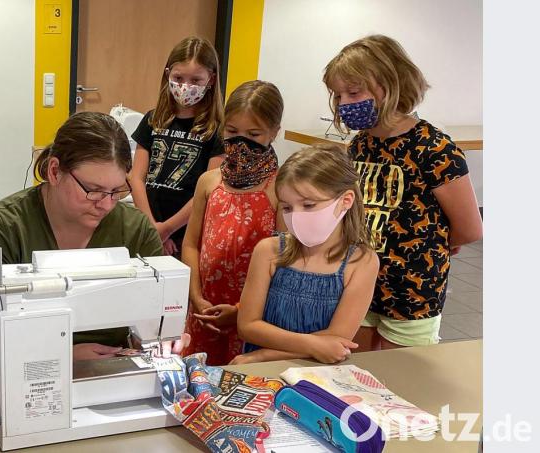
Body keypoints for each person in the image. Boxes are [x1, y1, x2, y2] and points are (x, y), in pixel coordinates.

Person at [0, 112, 171, 391]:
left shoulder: (135, 229)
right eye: (93, 190)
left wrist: (164, 338)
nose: (106, 205)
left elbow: (161, 319)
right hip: (17, 370)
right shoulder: (2, 228)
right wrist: (62, 357)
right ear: (55, 171)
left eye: (117, 191)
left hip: (110, 368)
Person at [323, 35, 483, 350]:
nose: (344, 103)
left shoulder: (434, 147)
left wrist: (434, 245)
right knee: (355, 371)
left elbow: (469, 228)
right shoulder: (360, 145)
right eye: (337, 94)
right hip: (360, 283)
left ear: (391, 84)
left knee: (403, 380)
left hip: (413, 292)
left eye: (353, 92)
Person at [232, 145, 379, 365]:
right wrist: (314, 345)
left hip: (314, 372)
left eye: (309, 205)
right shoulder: (269, 251)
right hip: (260, 372)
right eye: (287, 208)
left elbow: (338, 340)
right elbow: (248, 326)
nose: (297, 216)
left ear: (345, 201)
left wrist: (264, 355)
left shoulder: (361, 262)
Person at [180, 80, 284, 366]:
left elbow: (284, 260)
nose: (241, 143)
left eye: (253, 134)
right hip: (204, 310)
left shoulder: (280, 190)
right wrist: (196, 297)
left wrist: (240, 311)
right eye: (232, 132)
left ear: (273, 132)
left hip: (252, 315)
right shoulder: (209, 182)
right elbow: (191, 244)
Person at [129, 36, 225, 258]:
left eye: (195, 80)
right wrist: (153, 228)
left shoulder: (216, 131)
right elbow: (136, 178)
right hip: (148, 225)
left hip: (186, 233)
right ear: (167, 74)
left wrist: (168, 229)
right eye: (178, 78)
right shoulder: (152, 120)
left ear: (210, 80)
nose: (185, 87)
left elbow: (207, 191)